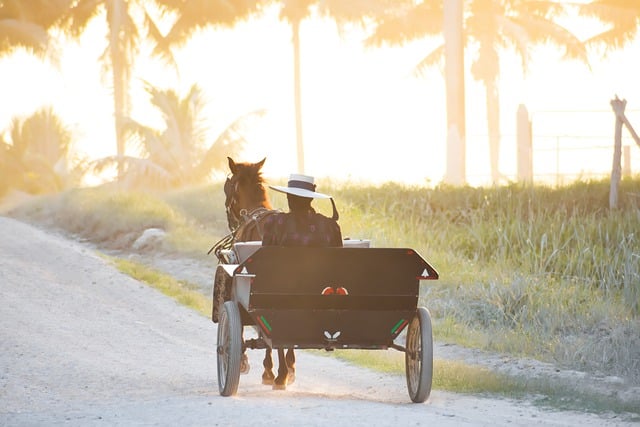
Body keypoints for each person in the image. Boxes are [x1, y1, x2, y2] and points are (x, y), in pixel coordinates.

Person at [262, 173, 342, 247]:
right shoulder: (331, 226)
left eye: (289, 196)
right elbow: (339, 259)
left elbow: (265, 257)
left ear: (288, 197)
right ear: (311, 198)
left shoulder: (275, 223)